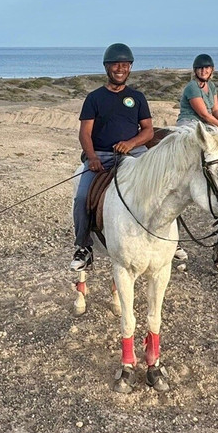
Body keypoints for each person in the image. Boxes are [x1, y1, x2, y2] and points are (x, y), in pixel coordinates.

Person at [70, 43, 154, 271]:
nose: (121, 68)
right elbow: (84, 133)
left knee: (161, 185)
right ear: (107, 67)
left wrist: (131, 143)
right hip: (101, 155)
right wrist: (92, 157)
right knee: (81, 199)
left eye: (125, 64)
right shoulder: (94, 98)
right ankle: (83, 246)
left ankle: (169, 243)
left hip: (134, 153)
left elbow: (148, 130)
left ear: (130, 68)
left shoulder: (137, 97)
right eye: (116, 64)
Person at [176, 53, 218, 128]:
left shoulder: (211, 86)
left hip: (205, 123)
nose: (203, 71)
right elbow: (204, 114)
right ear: (195, 70)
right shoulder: (193, 87)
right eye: (200, 68)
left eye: (206, 67)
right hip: (189, 122)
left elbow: (215, 109)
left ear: (211, 69)